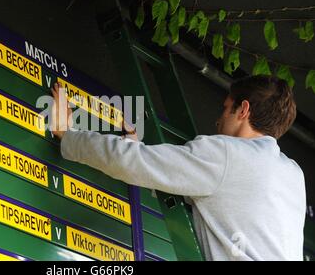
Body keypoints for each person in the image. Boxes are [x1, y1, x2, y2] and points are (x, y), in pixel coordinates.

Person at [50, 76, 306, 261]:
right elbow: (200, 191)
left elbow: (133, 162)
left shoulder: (227, 154)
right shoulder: (293, 175)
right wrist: (138, 149)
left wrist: (69, 135)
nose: (218, 120)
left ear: (244, 110)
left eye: (226, 108)